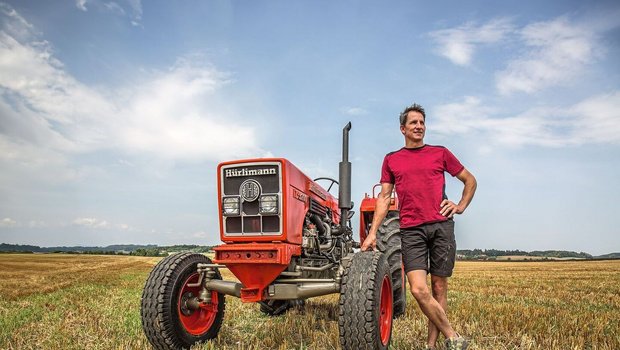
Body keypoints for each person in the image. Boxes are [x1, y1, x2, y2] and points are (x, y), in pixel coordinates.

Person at [361, 103, 477, 350]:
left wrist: (460, 206)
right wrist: (372, 233)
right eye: (414, 122)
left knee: (438, 287)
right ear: (402, 128)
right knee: (418, 289)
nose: (419, 126)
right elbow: (384, 198)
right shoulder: (392, 160)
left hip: (440, 226)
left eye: (422, 123)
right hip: (411, 229)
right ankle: (453, 336)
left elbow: (470, 180)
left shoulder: (440, 153)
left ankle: (431, 345)